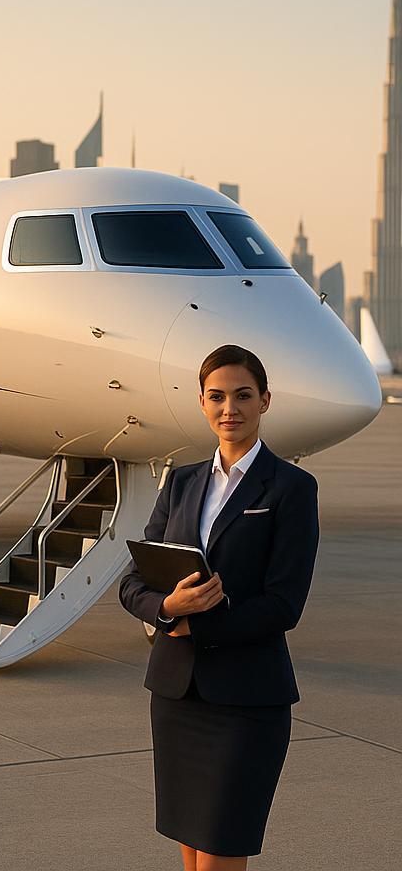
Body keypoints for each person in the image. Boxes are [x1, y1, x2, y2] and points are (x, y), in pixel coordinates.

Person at [119, 343, 319, 871]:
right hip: (177, 696)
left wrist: (195, 626)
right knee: (191, 855)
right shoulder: (181, 482)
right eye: (217, 396)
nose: (230, 408)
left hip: (246, 700)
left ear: (265, 401)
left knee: (220, 855)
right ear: (202, 402)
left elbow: (284, 604)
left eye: (243, 395)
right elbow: (133, 581)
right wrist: (168, 608)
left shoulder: (292, 488)